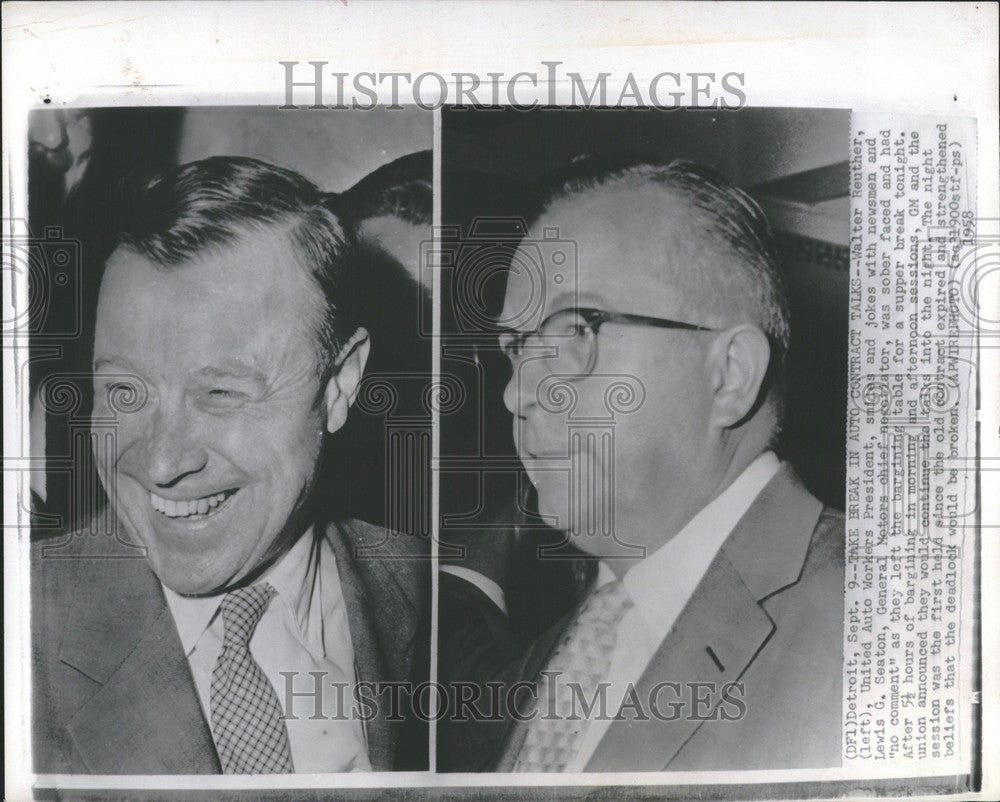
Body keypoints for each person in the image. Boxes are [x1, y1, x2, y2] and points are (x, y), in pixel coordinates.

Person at [438, 155, 845, 772]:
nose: (515, 393)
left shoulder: (879, 620)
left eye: (577, 329)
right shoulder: (555, 650)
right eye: (517, 349)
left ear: (730, 375)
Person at [31, 156, 428, 774]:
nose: (161, 463)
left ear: (339, 385)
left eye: (221, 394)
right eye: (123, 392)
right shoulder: (23, 624)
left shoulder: (432, 597)